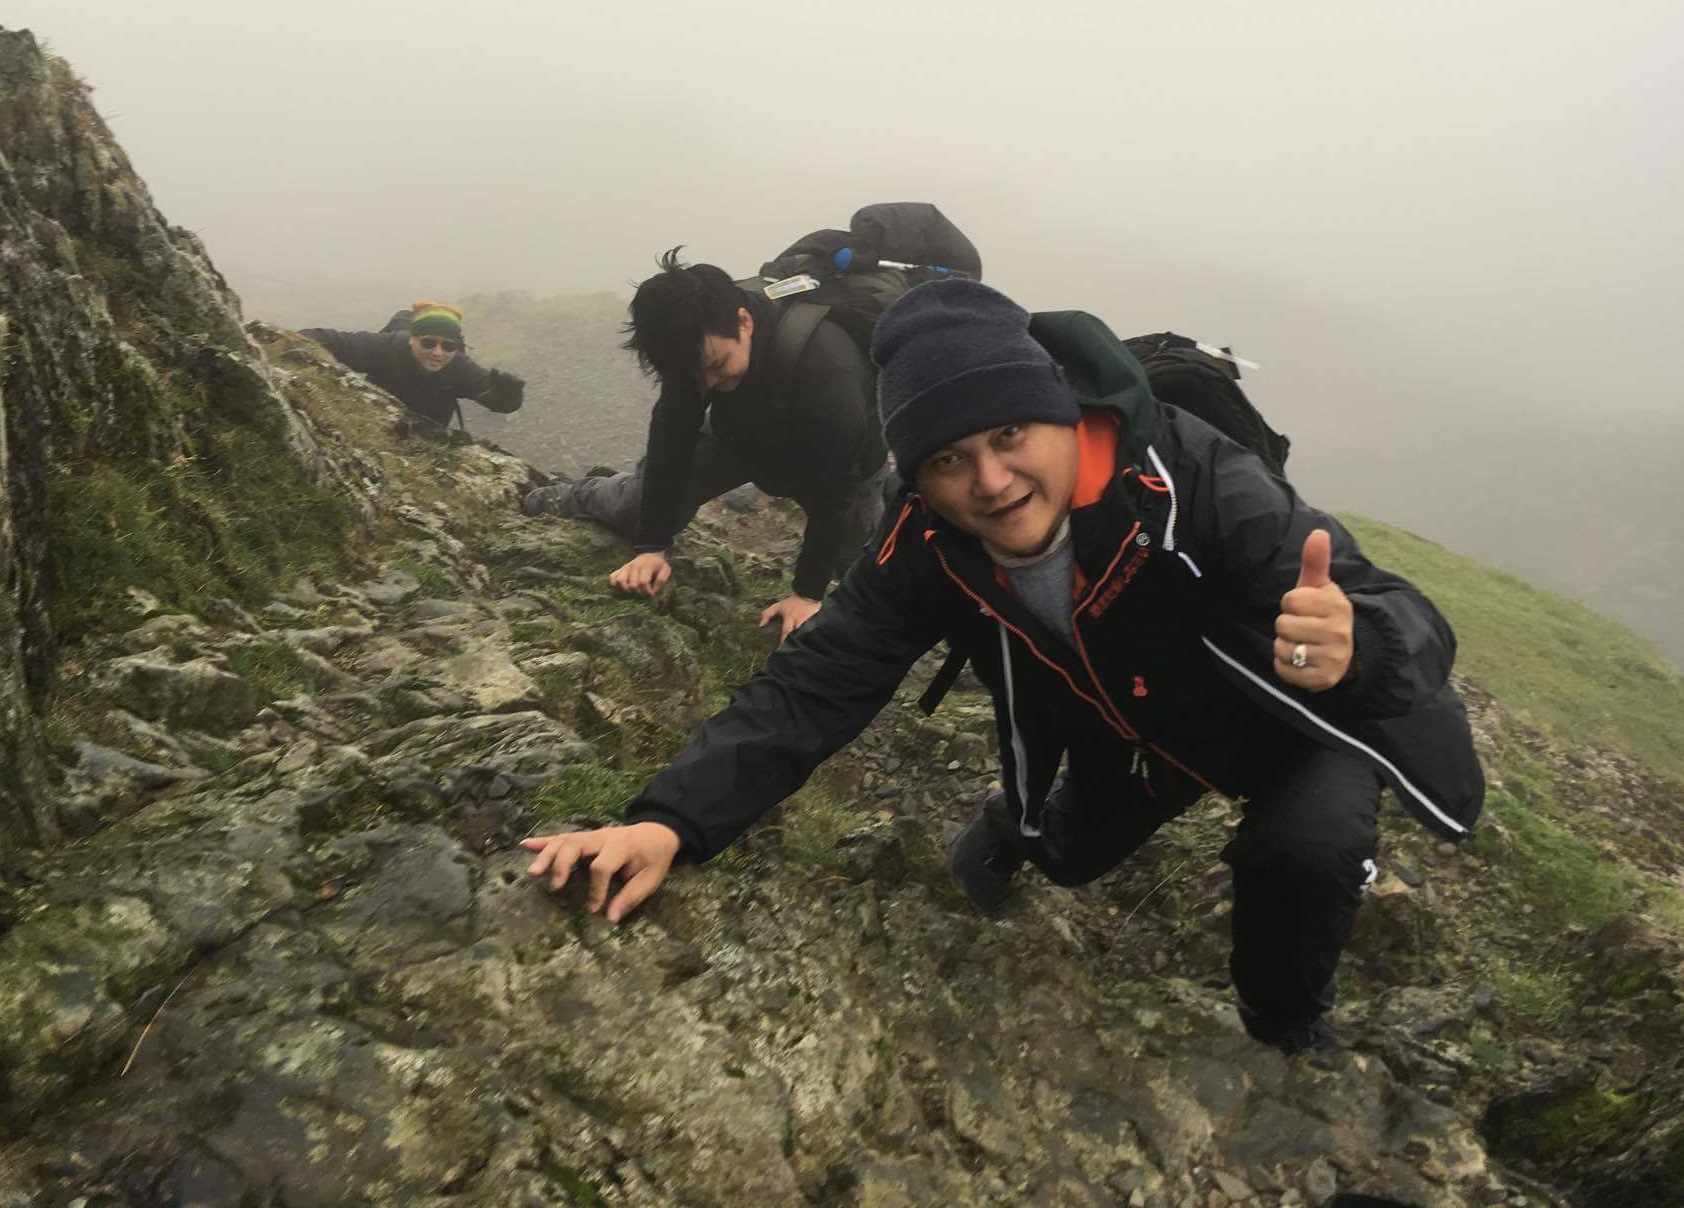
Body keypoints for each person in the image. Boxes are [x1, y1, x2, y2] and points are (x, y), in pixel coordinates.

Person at [520, 278, 1484, 1054]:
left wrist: (1359, 644)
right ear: (916, 474)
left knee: (1305, 854)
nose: (988, 480)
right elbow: (817, 682)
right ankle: (1012, 828)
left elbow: (1404, 613)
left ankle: (1285, 1033)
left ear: (1061, 413)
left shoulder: (1192, 482)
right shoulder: (926, 543)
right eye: (947, 459)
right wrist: (665, 822)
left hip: (1284, 718)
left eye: (1010, 435)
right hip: (1122, 728)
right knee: (1065, 858)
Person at [522, 250, 889, 644]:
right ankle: (579, 493)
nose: (707, 382)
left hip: (842, 461)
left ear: (744, 323)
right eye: (693, 375)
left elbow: (837, 488)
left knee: (862, 577)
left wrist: (806, 594)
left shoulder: (828, 371)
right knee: (635, 507)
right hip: (741, 438)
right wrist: (653, 545)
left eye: (716, 366)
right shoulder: (693, 352)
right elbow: (671, 437)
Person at [299, 301, 525, 427]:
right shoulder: (387, 347)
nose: (438, 353)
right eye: (428, 343)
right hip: (372, 422)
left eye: (448, 346)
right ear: (412, 338)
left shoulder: (458, 366)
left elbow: (501, 403)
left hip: (428, 435)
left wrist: (508, 394)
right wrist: (280, 345)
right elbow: (326, 339)